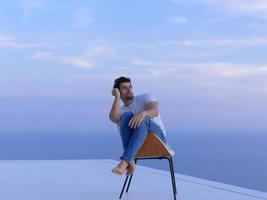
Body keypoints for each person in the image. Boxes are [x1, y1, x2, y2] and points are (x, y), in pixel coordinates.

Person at [109, 76, 167, 176]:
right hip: (137, 146)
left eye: (130, 87)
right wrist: (117, 97)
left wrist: (142, 113)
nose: (128, 89)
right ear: (118, 91)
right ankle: (129, 159)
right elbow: (113, 118)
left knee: (143, 119)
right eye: (124, 88)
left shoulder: (145, 97)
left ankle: (126, 161)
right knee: (126, 115)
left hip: (157, 139)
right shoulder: (121, 111)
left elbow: (155, 111)